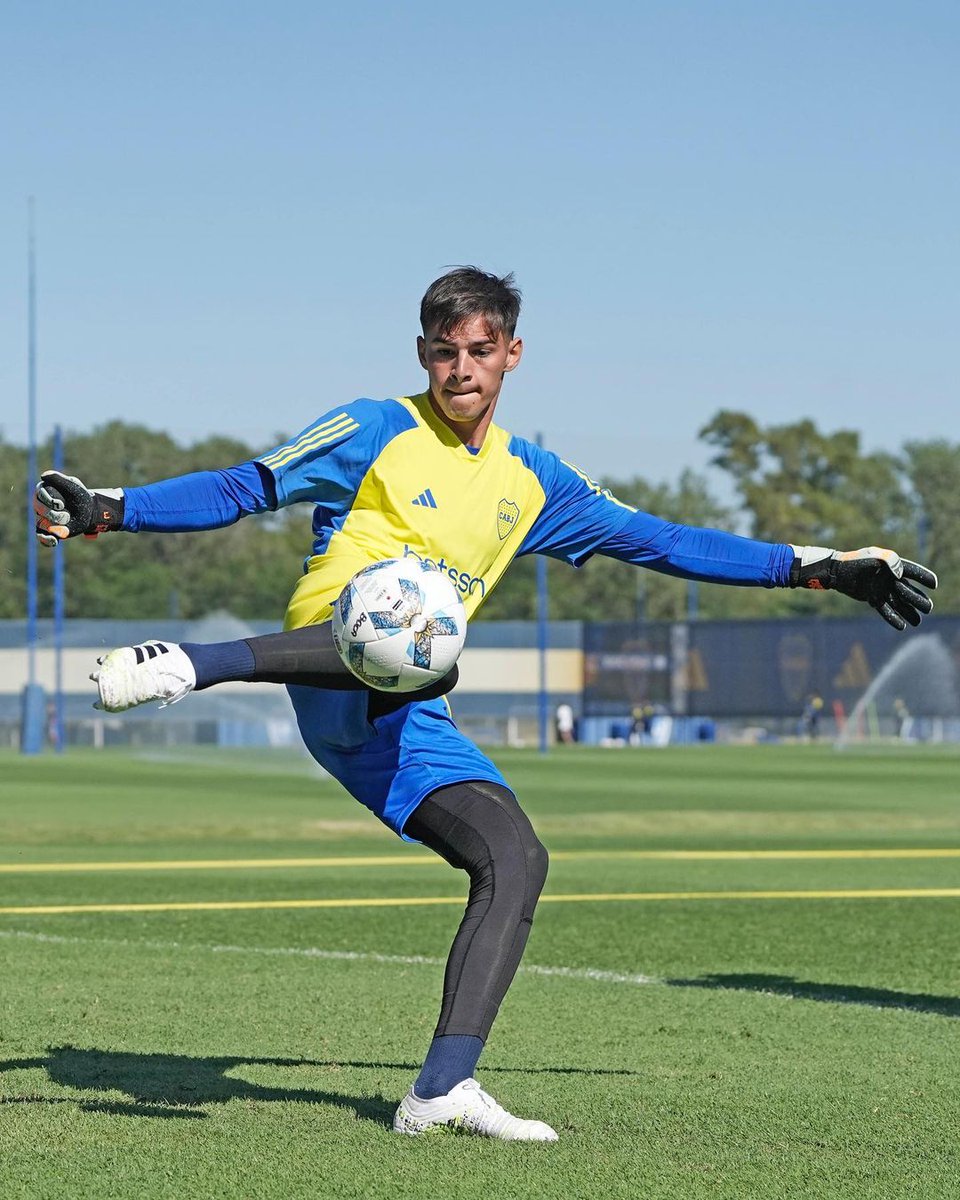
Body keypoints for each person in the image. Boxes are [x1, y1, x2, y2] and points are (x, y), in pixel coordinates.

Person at [34, 266, 938, 1141]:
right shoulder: (373, 425)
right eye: (442, 351)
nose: (460, 368)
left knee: (515, 855)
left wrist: (814, 566)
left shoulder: (534, 479)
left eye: (479, 349)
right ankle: (196, 664)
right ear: (421, 354)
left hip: (406, 709)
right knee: (416, 620)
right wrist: (115, 507)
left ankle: (441, 1089)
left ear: (512, 354)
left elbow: (660, 541)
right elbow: (246, 486)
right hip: (325, 653)